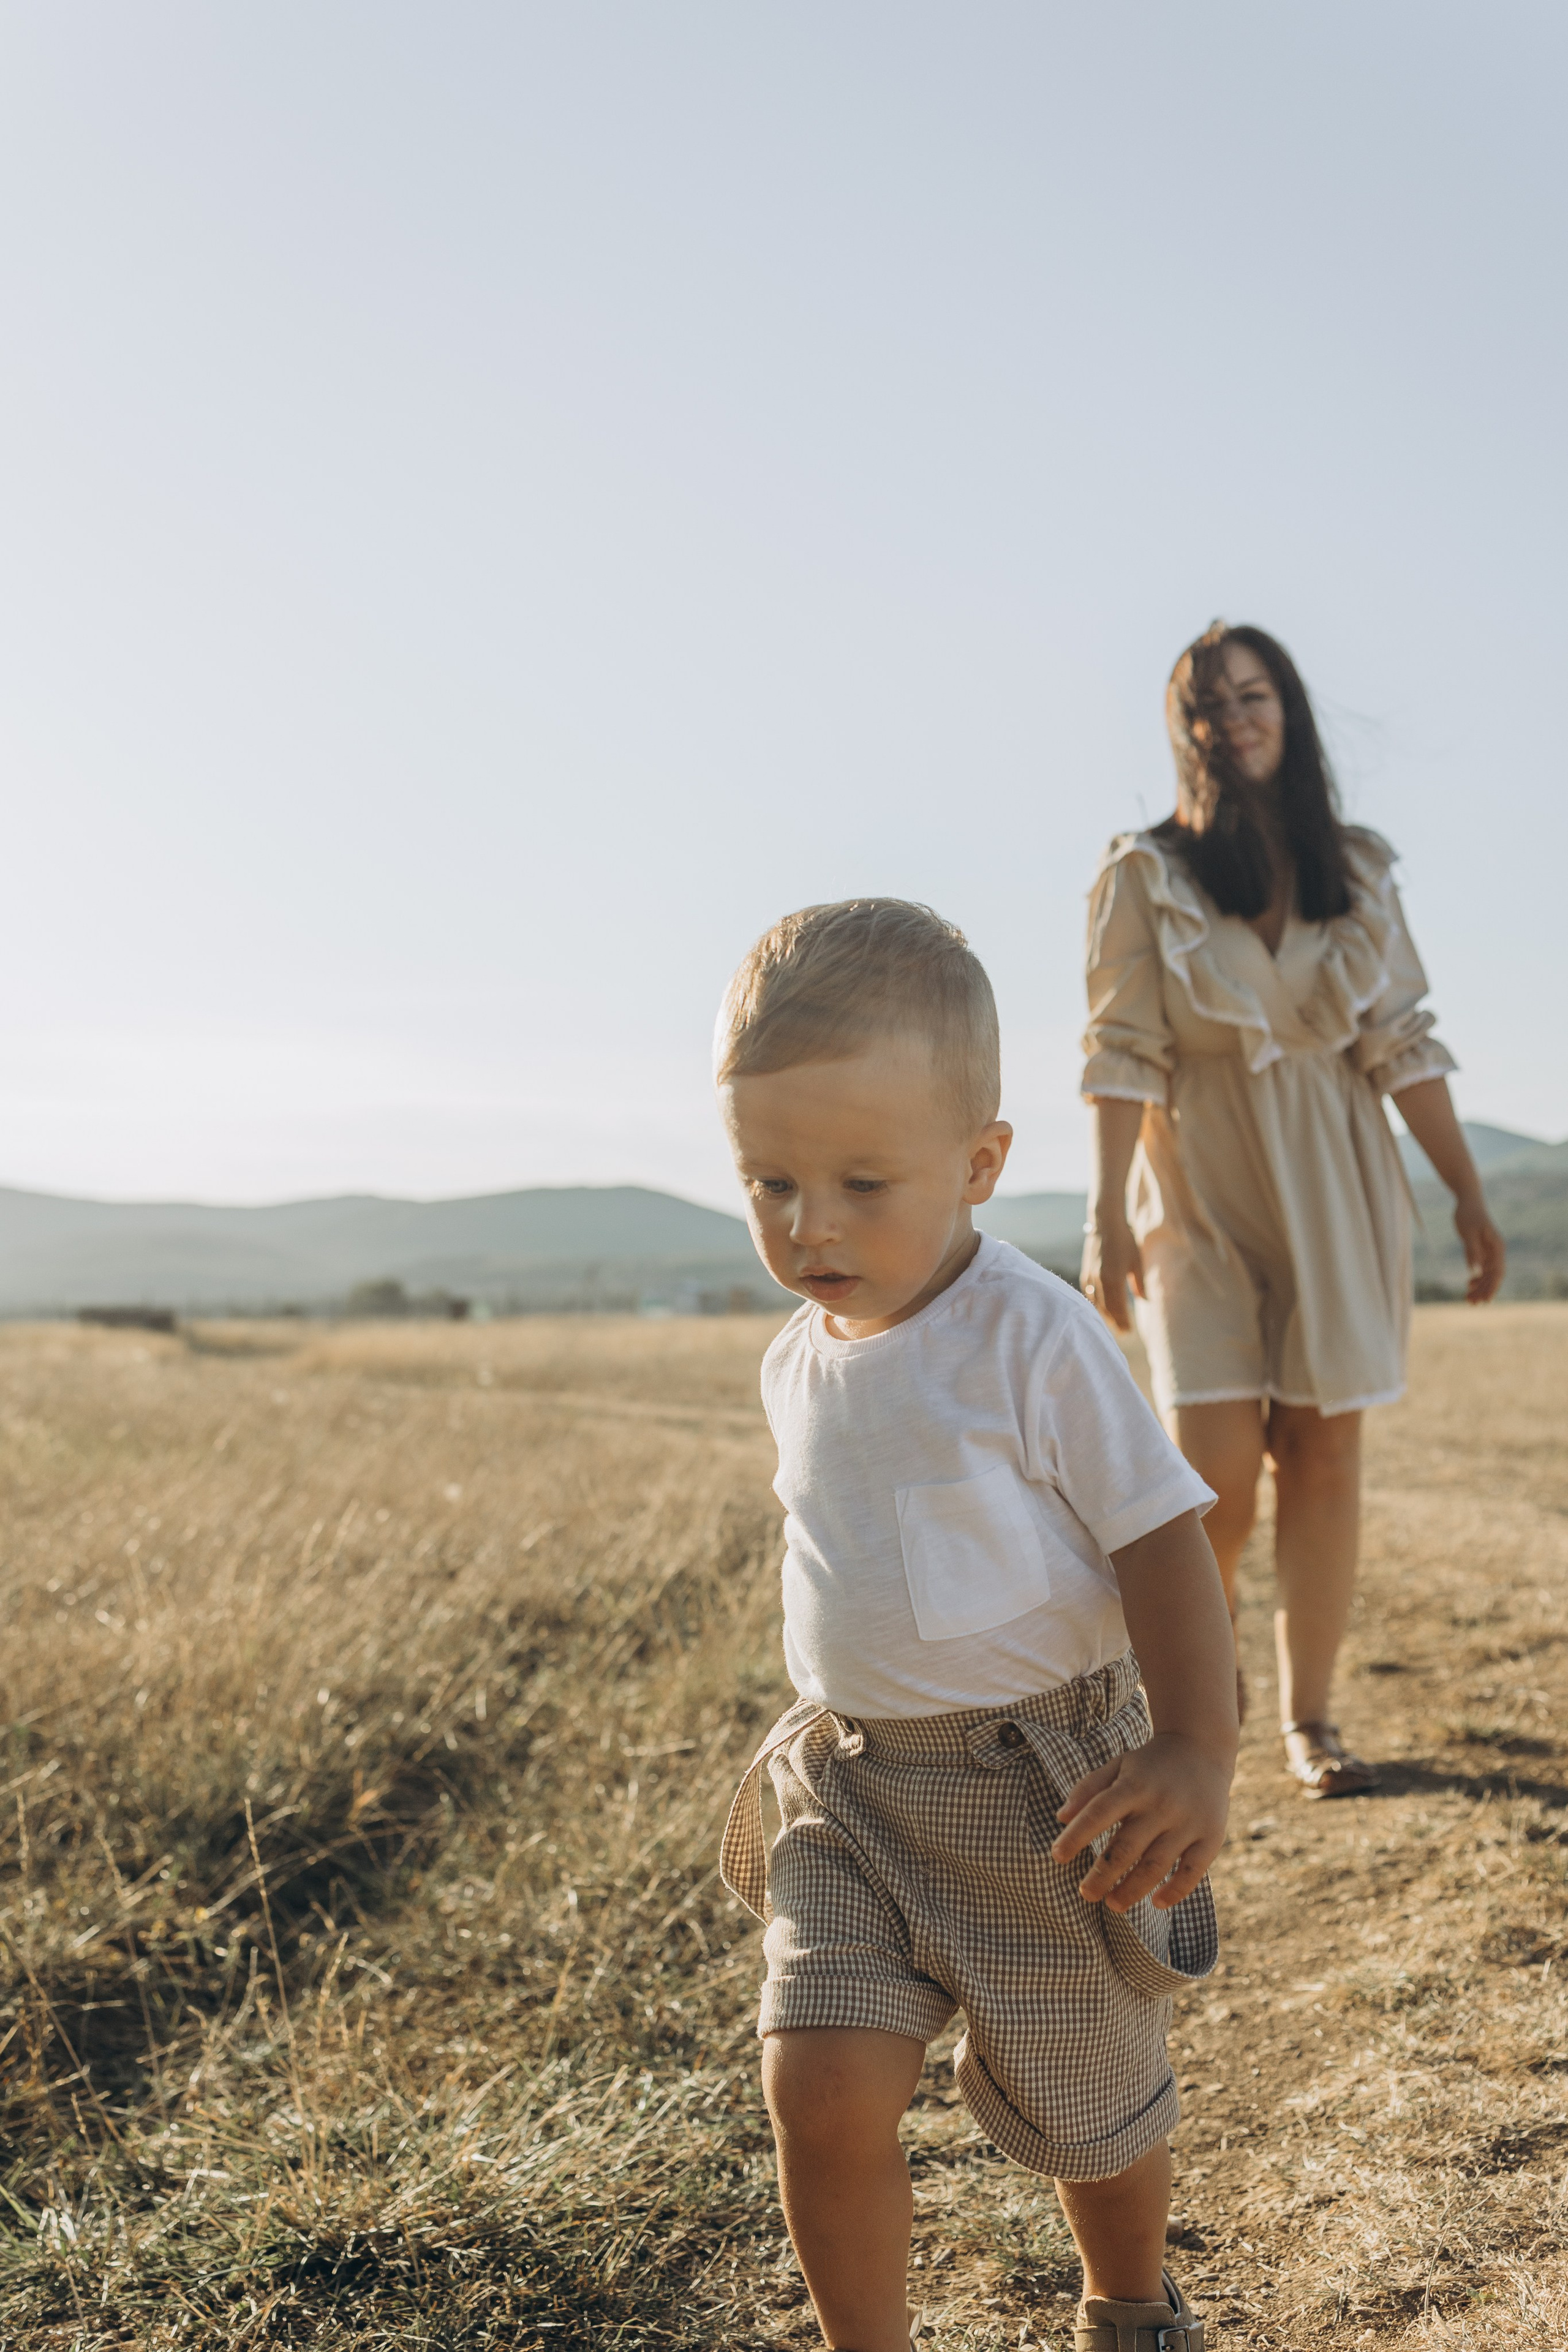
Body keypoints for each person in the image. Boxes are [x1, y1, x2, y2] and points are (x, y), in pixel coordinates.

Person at [714, 897, 1239, 2352]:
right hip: (851, 1788)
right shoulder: (792, 1361)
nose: (808, 1226)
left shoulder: (1032, 1334)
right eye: (768, 1182)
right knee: (812, 2086)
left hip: (1045, 1794)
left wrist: (1195, 1743)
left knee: (1091, 2104)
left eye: (860, 1182)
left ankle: (1129, 2308)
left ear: (980, 1164)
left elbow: (1157, 1536)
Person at [1080, 621, 1505, 1798]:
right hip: (1197, 1192)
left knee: (1323, 1453)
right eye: (1208, 706)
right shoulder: (1143, 873)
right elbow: (1121, 1051)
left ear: (1290, 709)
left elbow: (1401, 1044)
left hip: (1338, 1180)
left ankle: (1310, 1723)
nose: (1234, 720)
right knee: (1209, 1471)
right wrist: (1107, 1214)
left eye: (1253, 695)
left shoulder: (1357, 871)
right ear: (1187, 731)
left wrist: (1465, 1190)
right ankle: (1200, 1685)